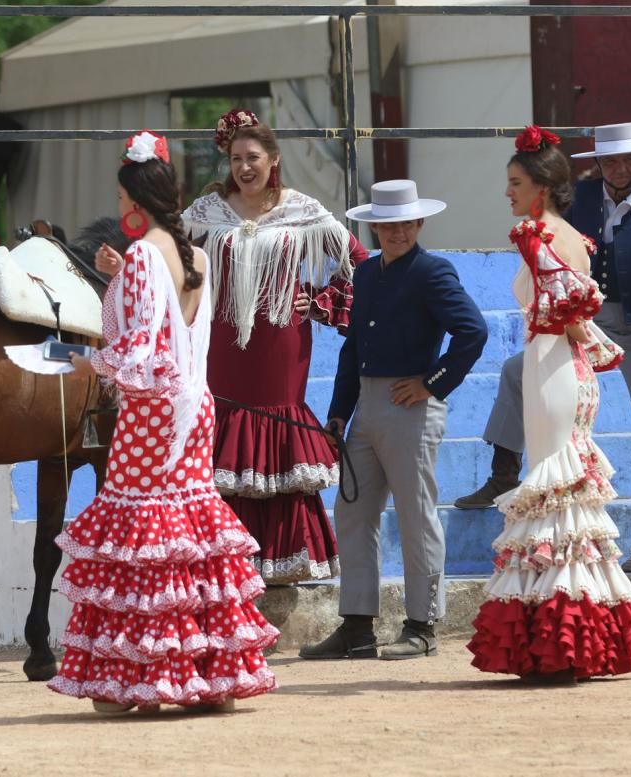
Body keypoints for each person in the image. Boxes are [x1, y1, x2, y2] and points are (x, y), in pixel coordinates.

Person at [49, 131, 277, 713]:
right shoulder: (194, 254)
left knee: (144, 537)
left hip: (154, 413)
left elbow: (139, 356)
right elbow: (174, 328)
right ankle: (207, 672)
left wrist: (80, 358)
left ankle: (143, 677)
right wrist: (120, 273)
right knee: (187, 532)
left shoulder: (147, 255)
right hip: (197, 407)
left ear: (132, 200)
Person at [467, 126, 631, 681]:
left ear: (540, 189)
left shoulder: (535, 234)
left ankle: (559, 638)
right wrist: (596, 345)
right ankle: (574, 635)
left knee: (553, 482)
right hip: (559, 368)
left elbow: (566, 314)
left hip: (552, 368)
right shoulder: (570, 234)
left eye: (514, 183)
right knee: (562, 488)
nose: (507, 192)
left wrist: (587, 341)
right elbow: (579, 315)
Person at [454, 121, 631, 573]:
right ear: (597, 163)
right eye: (610, 159)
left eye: (627, 159)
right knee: (515, 372)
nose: (619, 167)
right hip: (585, 316)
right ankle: (504, 472)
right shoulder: (575, 205)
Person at [299, 180, 487, 660]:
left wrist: (432, 382)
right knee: (353, 512)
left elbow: (473, 331)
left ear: (419, 223)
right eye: (386, 225)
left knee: (415, 515)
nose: (396, 231)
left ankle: (422, 625)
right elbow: (354, 345)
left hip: (411, 405)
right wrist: (338, 411)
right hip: (367, 404)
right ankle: (357, 626)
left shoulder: (432, 271)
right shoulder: (365, 275)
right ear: (374, 227)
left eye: (404, 223)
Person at [182, 108, 368, 584]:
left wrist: (322, 302)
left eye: (254, 157)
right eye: (236, 158)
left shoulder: (301, 209)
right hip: (220, 344)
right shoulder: (206, 212)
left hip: (281, 341)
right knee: (223, 436)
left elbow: (359, 264)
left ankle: (283, 558)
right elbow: (164, 258)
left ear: (274, 159)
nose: (245, 167)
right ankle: (224, 563)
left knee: (275, 426)